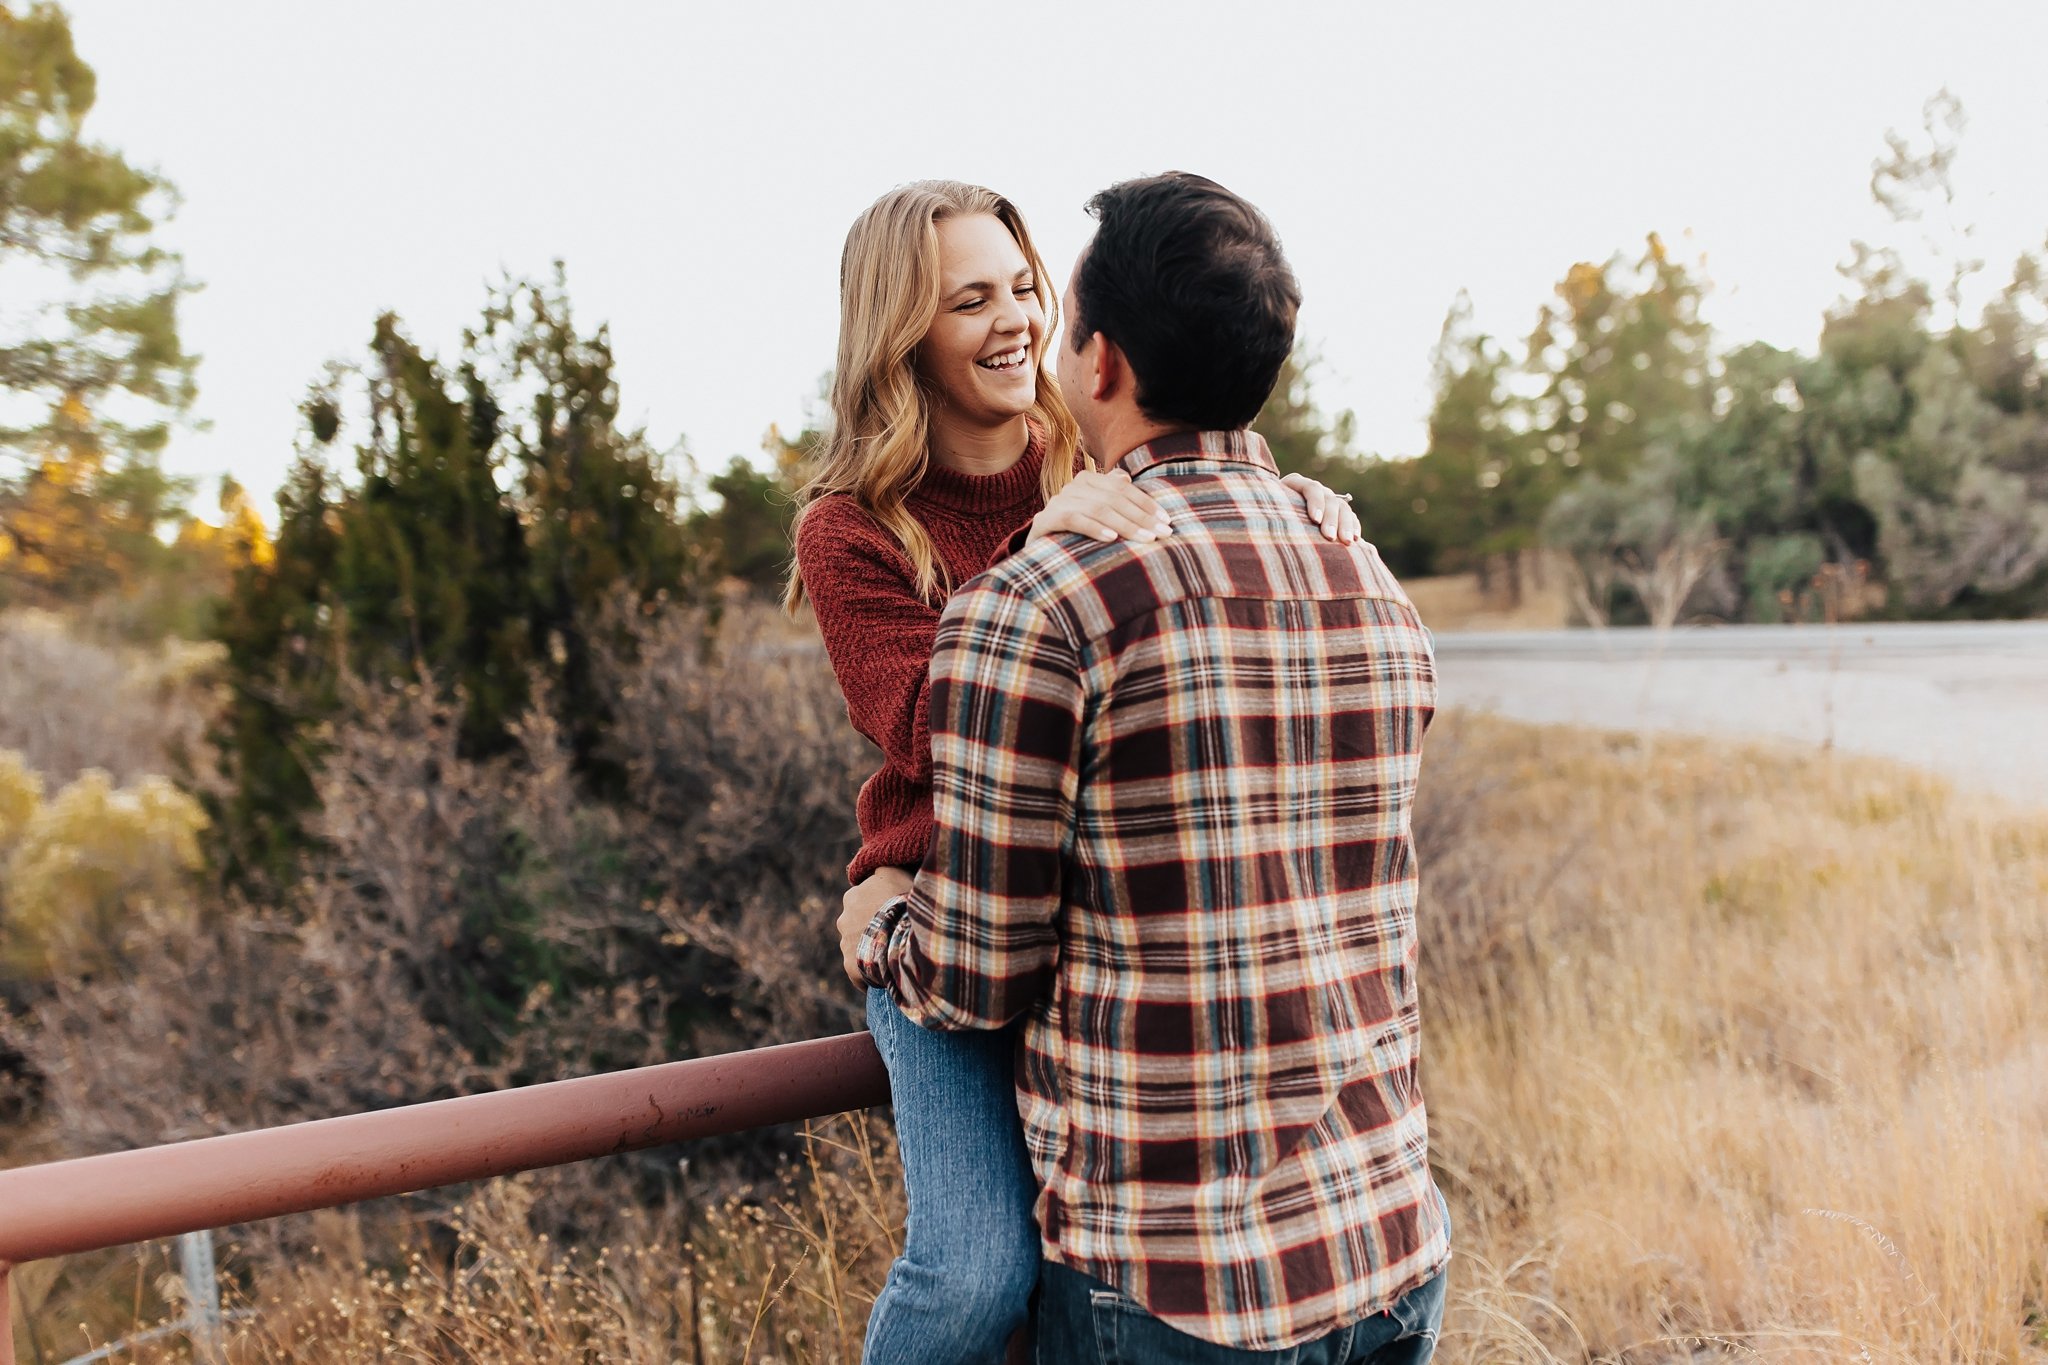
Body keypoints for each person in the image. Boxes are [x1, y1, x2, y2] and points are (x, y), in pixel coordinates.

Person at [838, 172, 1451, 1364]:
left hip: (1179, 1290)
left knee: (979, 1265)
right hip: (1384, 1243)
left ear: (1099, 361)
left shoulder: (1055, 578)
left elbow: (973, 975)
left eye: (1033, 295)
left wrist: (871, 932)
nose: (1019, 322)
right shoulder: (1361, 575)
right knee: (968, 1268)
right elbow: (924, 724)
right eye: (973, 299)